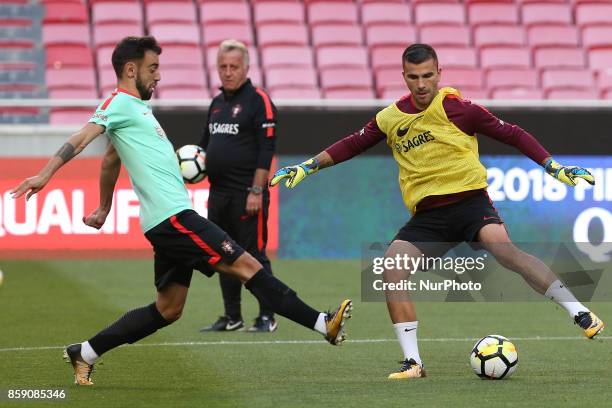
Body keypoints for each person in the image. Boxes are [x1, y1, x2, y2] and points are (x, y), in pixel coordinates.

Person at [10, 36, 353, 386]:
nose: (158, 76)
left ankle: (84, 353)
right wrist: (45, 174)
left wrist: (103, 207)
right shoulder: (117, 104)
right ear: (131, 70)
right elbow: (82, 137)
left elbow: (111, 159)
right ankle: (322, 323)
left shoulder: (136, 110)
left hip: (166, 220)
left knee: (168, 309)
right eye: (152, 68)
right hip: (173, 219)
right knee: (248, 264)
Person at [270, 43, 604, 380]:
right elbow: (352, 144)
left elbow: (513, 134)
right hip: (429, 218)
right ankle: (414, 363)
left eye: (428, 75)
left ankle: (581, 314)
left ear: (439, 74)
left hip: (471, 204)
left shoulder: (458, 108)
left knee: (505, 252)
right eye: (413, 77)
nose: (421, 84)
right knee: (391, 270)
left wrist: (553, 166)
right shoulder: (390, 118)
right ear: (404, 77)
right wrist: (308, 166)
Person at [199, 40, 278, 333]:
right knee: (223, 255)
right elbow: (204, 147)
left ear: (246, 68)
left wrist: (257, 191)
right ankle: (232, 317)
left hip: (247, 194)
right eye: (223, 66)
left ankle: (268, 316)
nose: (228, 72)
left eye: (234, 66)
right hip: (218, 195)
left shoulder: (259, 100)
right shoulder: (217, 104)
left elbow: (266, 149)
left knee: (254, 255)